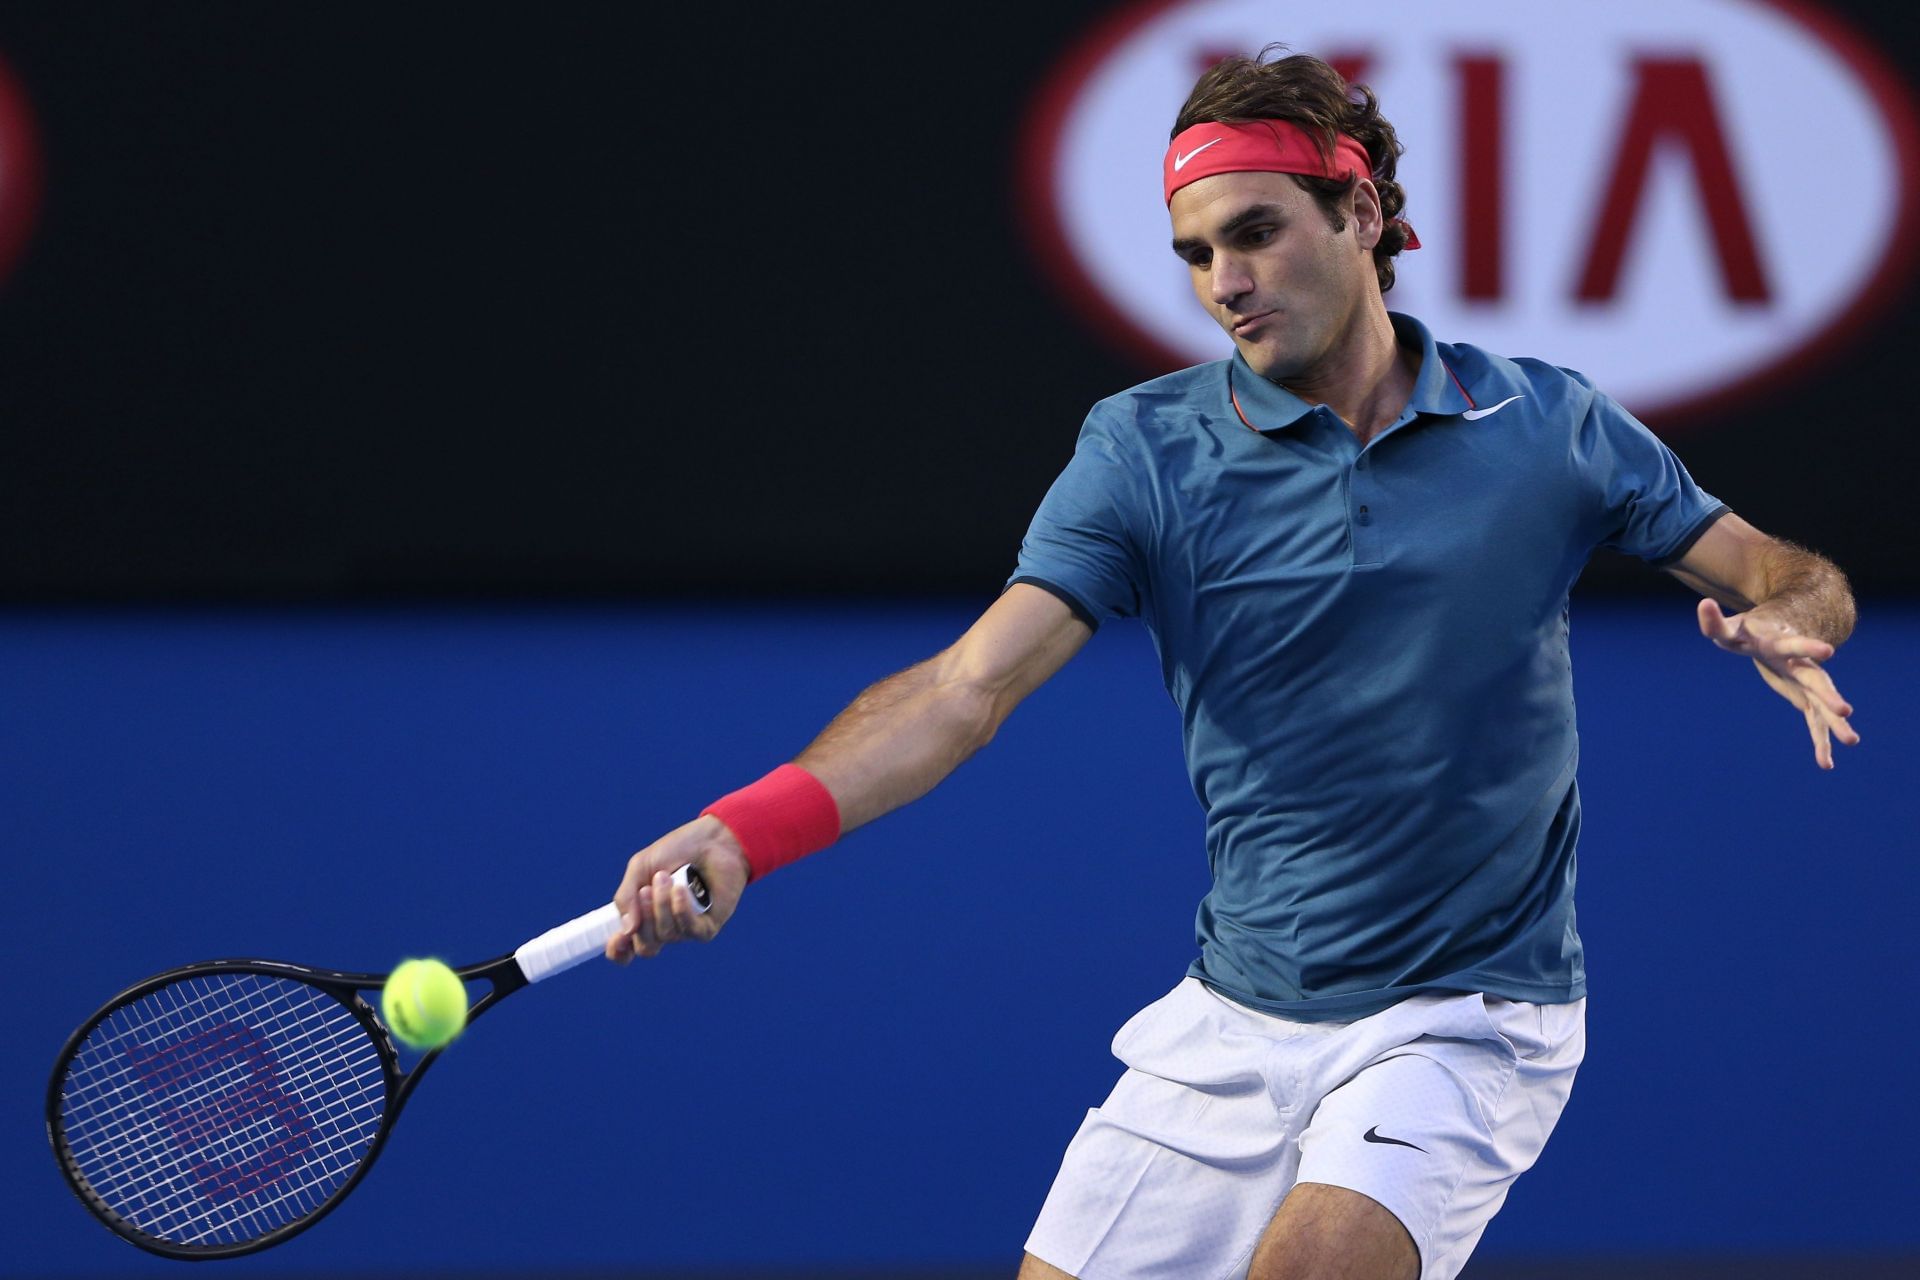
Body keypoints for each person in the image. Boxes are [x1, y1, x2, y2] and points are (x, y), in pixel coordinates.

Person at [602, 47, 1857, 1280]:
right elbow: (962, 689)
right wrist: (743, 828)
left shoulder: (1547, 424)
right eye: (1197, 253)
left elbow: (1783, 573)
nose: (1224, 282)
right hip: (1239, 1012)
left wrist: (1789, 618)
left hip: (1468, 1013)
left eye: (1255, 233)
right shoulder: (1145, 449)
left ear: (1361, 212)